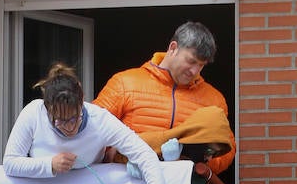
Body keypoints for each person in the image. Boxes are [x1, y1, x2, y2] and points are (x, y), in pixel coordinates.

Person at [3, 63, 167, 184]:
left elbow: (144, 154)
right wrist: (50, 164)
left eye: (74, 118)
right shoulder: (33, 113)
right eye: (59, 120)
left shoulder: (100, 120)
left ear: (82, 102)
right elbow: (10, 163)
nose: (69, 128)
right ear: (47, 110)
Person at [94, 22, 236, 175]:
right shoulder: (124, 82)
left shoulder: (214, 99)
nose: (194, 70)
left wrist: (201, 161)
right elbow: (93, 128)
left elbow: (227, 149)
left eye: (201, 65)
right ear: (173, 48)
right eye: (191, 61)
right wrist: (113, 154)